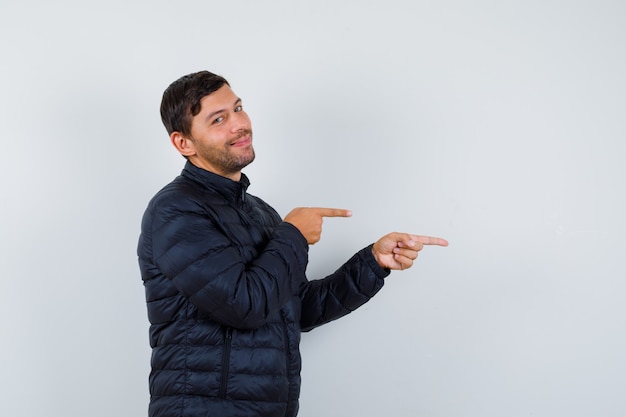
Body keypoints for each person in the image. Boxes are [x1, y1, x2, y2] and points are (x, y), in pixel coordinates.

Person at [137, 70, 448, 417]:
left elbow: (296, 309)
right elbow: (245, 305)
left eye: (238, 108)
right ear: (184, 143)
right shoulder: (175, 210)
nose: (239, 124)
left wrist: (373, 262)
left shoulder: (260, 213)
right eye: (219, 119)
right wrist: (294, 234)